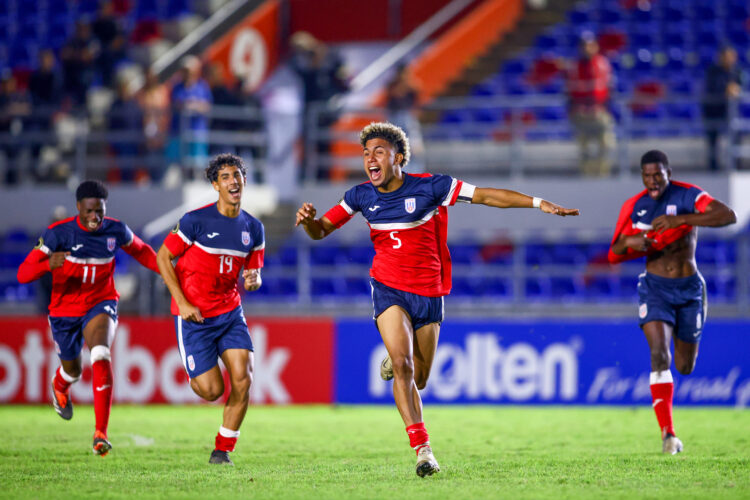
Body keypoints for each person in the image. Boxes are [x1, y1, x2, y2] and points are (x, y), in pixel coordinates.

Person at [295, 122, 579, 476]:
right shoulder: (360, 196)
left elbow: (487, 195)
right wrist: (309, 222)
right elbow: (322, 229)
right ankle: (423, 450)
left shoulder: (431, 186)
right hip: (387, 288)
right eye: (366, 154)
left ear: (398, 158)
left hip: (429, 292)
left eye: (378, 152)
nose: (370, 159)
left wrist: (538, 203)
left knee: (421, 378)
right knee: (404, 366)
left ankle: (401, 363)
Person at [16, 180, 160, 455]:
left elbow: (141, 250)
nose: (95, 217)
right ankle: (60, 384)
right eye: (90, 211)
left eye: (100, 211)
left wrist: (166, 271)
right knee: (73, 371)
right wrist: (48, 264)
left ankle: (100, 434)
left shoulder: (115, 230)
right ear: (78, 208)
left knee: (101, 354)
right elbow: (23, 273)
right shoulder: (59, 234)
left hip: (100, 302)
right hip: (64, 311)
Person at [608, 150, 737, 454]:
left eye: (658, 174)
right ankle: (669, 435)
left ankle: (670, 430)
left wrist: (681, 219)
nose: (653, 181)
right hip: (655, 288)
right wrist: (633, 243)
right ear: (642, 175)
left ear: (668, 171)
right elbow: (615, 251)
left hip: (689, 288)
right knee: (658, 355)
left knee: (685, 366)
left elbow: (727, 215)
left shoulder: (689, 196)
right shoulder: (635, 206)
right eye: (647, 175)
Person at [156, 153, 265, 466]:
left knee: (243, 379)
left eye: (237, 175)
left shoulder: (254, 229)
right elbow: (164, 258)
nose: (233, 181)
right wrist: (184, 302)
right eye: (226, 177)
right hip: (194, 317)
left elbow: (253, 274)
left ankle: (222, 451)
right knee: (211, 390)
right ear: (216, 185)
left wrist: (254, 279)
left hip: (230, 313)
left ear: (244, 181)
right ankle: (195, 371)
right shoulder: (195, 221)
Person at [565, 31, 615, 177]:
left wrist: (603, 107)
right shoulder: (574, 66)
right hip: (581, 114)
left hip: (599, 113)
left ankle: (603, 173)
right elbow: (570, 91)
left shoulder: (602, 63)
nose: (588, 49)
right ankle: (586, 174)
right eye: (585, 46)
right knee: (584, 146)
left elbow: (608, 89)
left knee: (606, 143)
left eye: (590, 45)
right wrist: (575, 108)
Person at [702, 46, 746, 170]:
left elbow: (742, 87)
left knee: (736, 134)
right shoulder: (712, 71)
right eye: (727, 56)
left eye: (732, 56)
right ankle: (713, 167)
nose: (730, 59)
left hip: (729, 111)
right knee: (713, 139)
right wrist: (726, 89)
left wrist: (736, 89)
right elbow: (712, 88)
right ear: (720, 57)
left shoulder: (737, 71)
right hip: (713, 110)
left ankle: (737, 164)